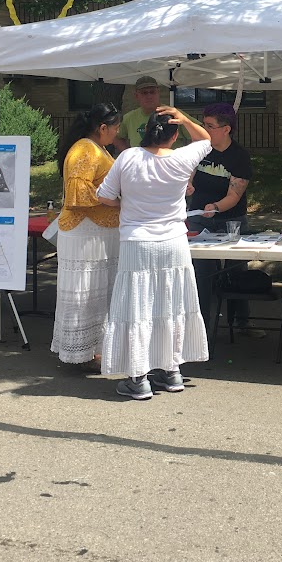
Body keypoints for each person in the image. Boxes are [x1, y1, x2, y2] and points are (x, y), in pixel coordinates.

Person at [96, 107, 213, 400]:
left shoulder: (128, 157)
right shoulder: (181, 159)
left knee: (137, 306)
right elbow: (207, 139)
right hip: (174, 242)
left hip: (138, 240)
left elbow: (104, 196)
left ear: (145, 131)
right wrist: (185, 118)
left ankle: (138, 377)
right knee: (170, 303)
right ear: (174, 135)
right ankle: (171, 370)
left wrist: (128, 204)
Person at [52, 103, 122, 369]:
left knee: (96, 290)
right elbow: (77, 193)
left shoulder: (96, 147)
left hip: (96, 231)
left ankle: (93, 349)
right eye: (115, 128)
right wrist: (117, 202)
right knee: (85, 290)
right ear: (103, 128)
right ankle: (79, 353)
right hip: (86, 232)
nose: (117, 133)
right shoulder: (84, 149)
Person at [186, 103, 262, 337]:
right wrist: (187, 185)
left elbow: (234, 195)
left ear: (226, 129)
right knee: (202, 273)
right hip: (198, 219)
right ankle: (202, 329)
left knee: (236, 272)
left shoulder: (239, 157)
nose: (204, 129)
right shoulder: (200, 149)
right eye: (203, 124)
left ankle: (241, 321)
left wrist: (216, 207)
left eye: (209, 126)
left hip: (231, 220)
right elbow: (188, 174)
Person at [113, 76, 190, 152]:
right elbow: (115, 136)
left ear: (158, 93)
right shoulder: (129, 118)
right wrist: (128, 152)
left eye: (152, 92)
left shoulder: (173, 114)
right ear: (136, 96)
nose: (149, 96)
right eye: (144, 93)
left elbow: (200, 133)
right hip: (140, 163)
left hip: (169, 162)